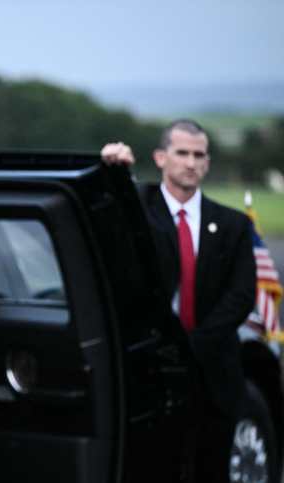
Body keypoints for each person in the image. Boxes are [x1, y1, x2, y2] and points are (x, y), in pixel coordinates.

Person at [101, 119, 256, 482]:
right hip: (153, 375)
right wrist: (112, 169)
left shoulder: (233, 224)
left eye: (199, 155)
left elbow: (241, 295)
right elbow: (112, 210)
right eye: (182, 153)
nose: (190, 162)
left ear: (208, 163)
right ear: (160, 158)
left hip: (215, 376)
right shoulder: (139, 210)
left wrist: (191, 346)